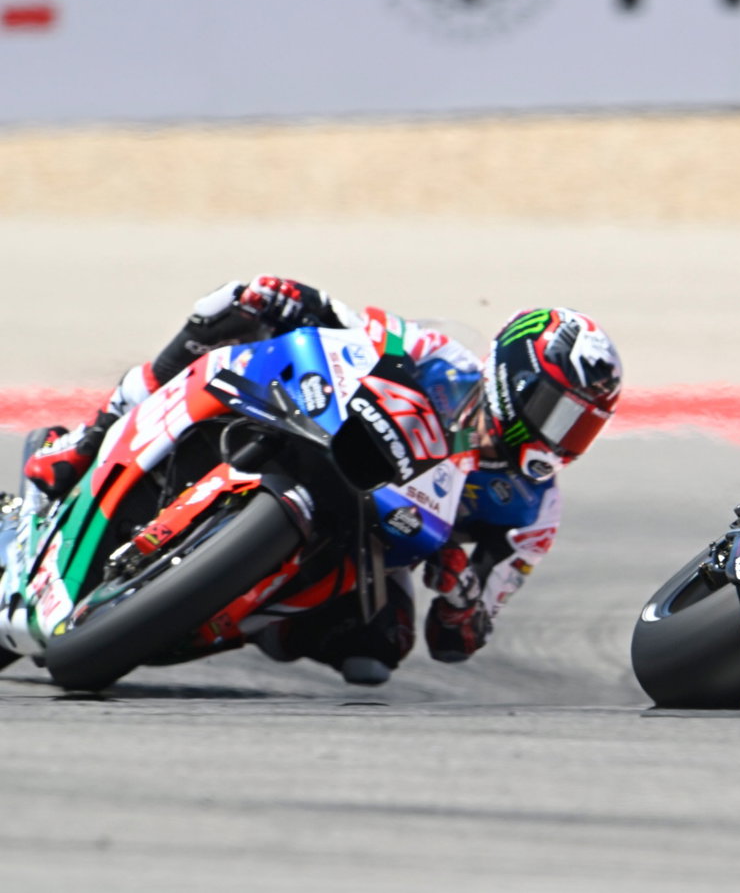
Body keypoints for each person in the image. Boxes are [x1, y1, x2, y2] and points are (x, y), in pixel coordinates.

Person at [23, 276, 623, 685]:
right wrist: (297, 300)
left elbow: (460, 640)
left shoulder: (532, 511)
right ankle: (89, 437)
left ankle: (226, 605)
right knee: (234, 302)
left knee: (377, 653)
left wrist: (463, 596)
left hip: (379, 538)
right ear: (515, 378)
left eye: (581, 430)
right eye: (559, 413)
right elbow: (356, 328)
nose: (561, 439)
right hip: (330, 441)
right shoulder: (440, 355)